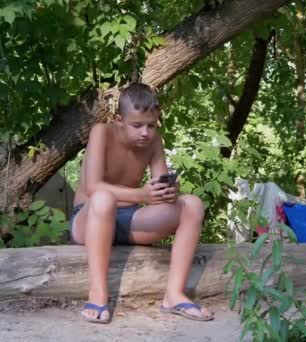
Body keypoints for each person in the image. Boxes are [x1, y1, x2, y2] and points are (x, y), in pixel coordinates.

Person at [70, 83, 213, 323]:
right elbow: (92, 188)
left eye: (151, 125)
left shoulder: (154, 141)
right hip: (90, 219)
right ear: (119, 120)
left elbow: (157, 191)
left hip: (130, 220)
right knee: (103, 199)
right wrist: (142, 195)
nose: (145, 132)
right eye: (137, 125)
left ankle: (174, 295)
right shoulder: (101, 132)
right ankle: (98, 294)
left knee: (192, 204)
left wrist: (166, 192)